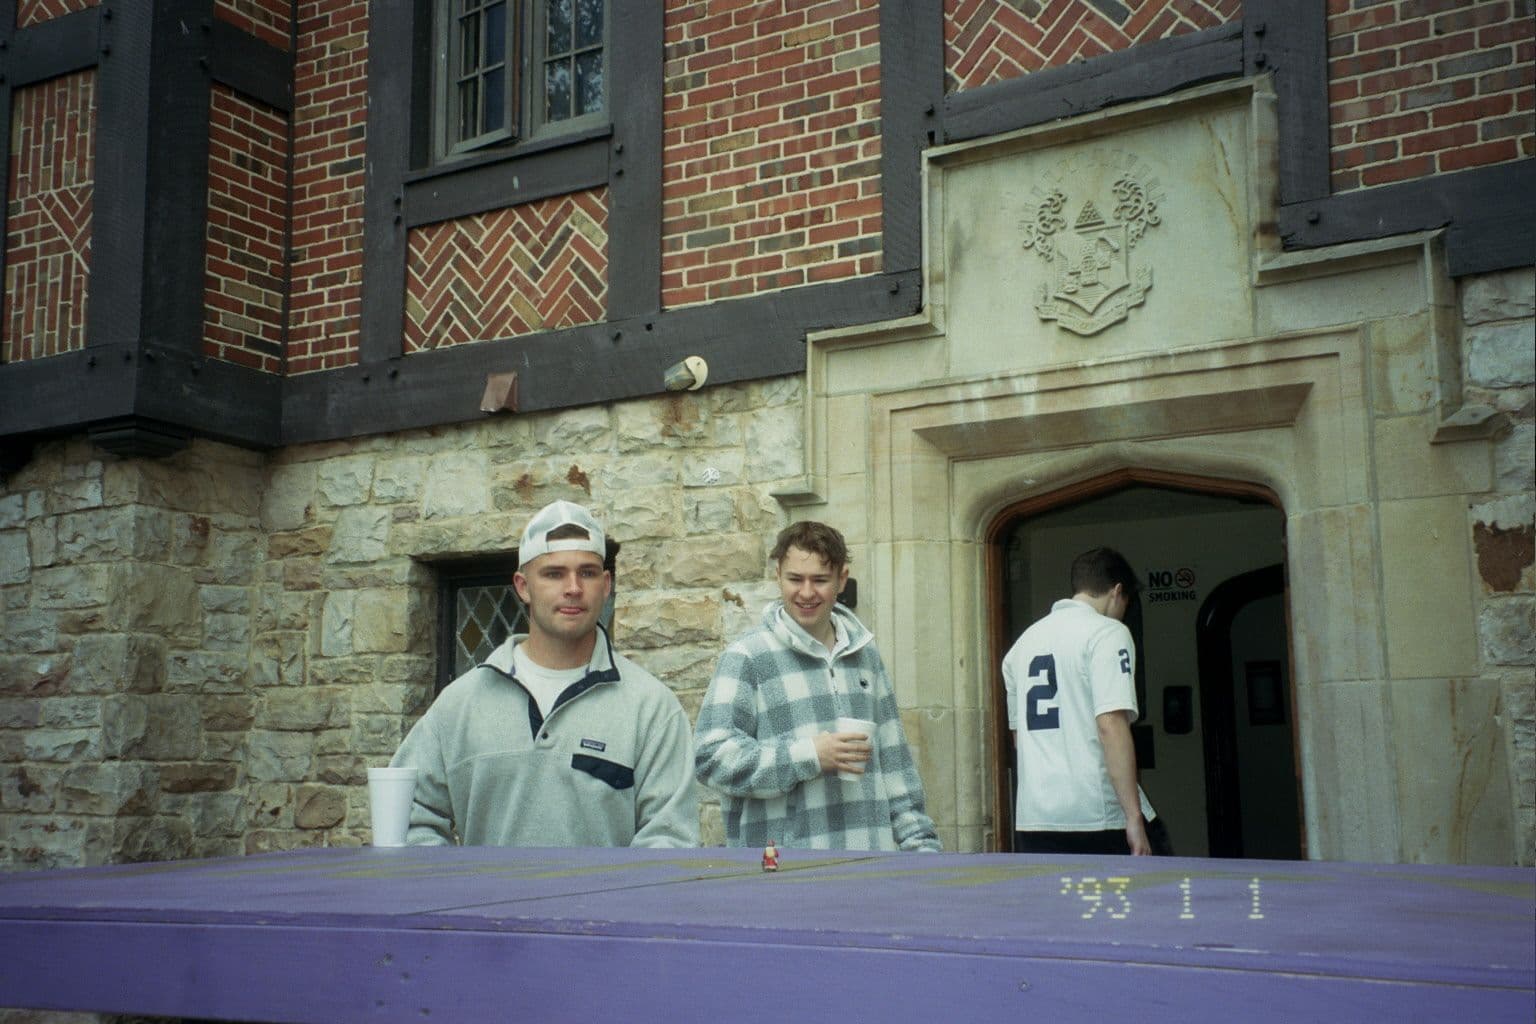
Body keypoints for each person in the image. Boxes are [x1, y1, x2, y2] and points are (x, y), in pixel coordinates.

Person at [390, 500, 698, 847]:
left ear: (606, 583)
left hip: (604, 904)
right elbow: (406, 817)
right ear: (523, 586)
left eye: (587, 572)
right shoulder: (461, 704)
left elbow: (669, 843)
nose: (573, 588)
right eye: (554, 573)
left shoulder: (652, 709)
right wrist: (460, 892)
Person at [694, 521, 940, 851]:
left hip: (871, 872)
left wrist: (923, 851)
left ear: (841, 578)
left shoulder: (865, 656)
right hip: (784, 875)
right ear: (777, 574)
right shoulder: (746, 657)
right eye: (795, 579)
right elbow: (711, 759)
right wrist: (809, 755)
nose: (807, 592)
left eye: (820, 580)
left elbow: (896, 769)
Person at [1002, 547, 1172, 856]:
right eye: (1126, 603)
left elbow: (1019, 738)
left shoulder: (1021, 645)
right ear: (1117, 592)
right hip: (1097, 815)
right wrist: (1133, 818)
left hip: (1036, 818)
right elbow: (1111, 725)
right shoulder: (1108, 633)